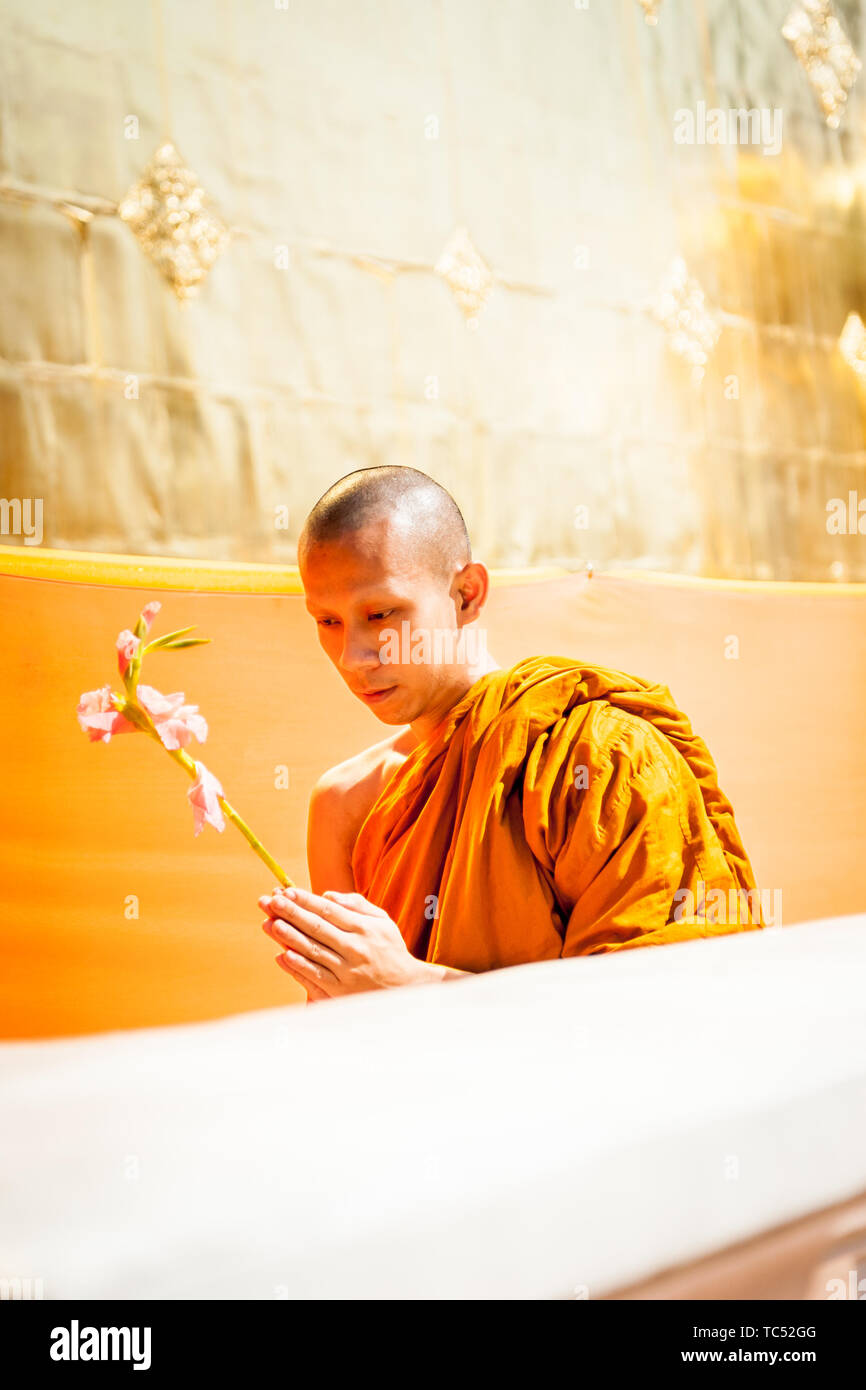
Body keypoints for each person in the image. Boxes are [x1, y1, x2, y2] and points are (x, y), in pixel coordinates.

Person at [258, 466, 763, 1000]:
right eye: (327, 621)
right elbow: (341, 1035)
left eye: (380, 613)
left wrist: (413, 986)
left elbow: (661, 1007)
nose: (352, 657)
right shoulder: (344, 805)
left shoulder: (599, 754)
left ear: (466, 595)